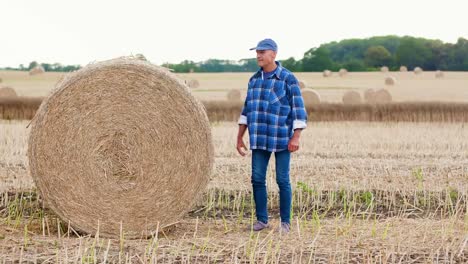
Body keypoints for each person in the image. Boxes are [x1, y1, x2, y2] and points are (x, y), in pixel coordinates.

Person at [236, 38, 308, 233]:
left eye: (262, 52)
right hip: (258, 138)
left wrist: (296, 137)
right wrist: (239, 136)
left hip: (282, 138)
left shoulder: (287, 78)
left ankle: (285, 222)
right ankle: (262, 220)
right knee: (257, 179)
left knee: (282, 180)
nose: (258, 55)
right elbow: (246, 110)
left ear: (273, 54)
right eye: (257, 52)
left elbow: (298, 109)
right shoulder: (253, 80)